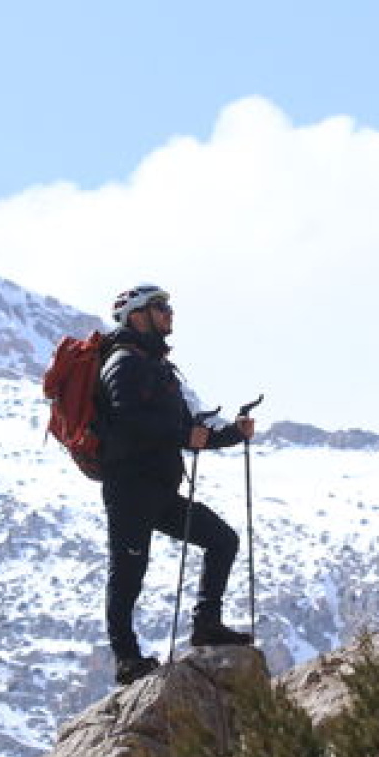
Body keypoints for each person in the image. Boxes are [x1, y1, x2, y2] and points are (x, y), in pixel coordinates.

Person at [97, 283, 256, 685]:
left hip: (160, 489)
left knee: (222, 540)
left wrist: (232, 434)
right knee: (128, 571)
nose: (169, 314)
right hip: (130, 490)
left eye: (167, 307)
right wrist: (184, 438)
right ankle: (127, 658)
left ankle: (206, 626)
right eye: (159, 307)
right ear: (136, 315)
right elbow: (127, 421)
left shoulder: (158, 368)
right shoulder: (122, 364)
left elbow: (186, 428)